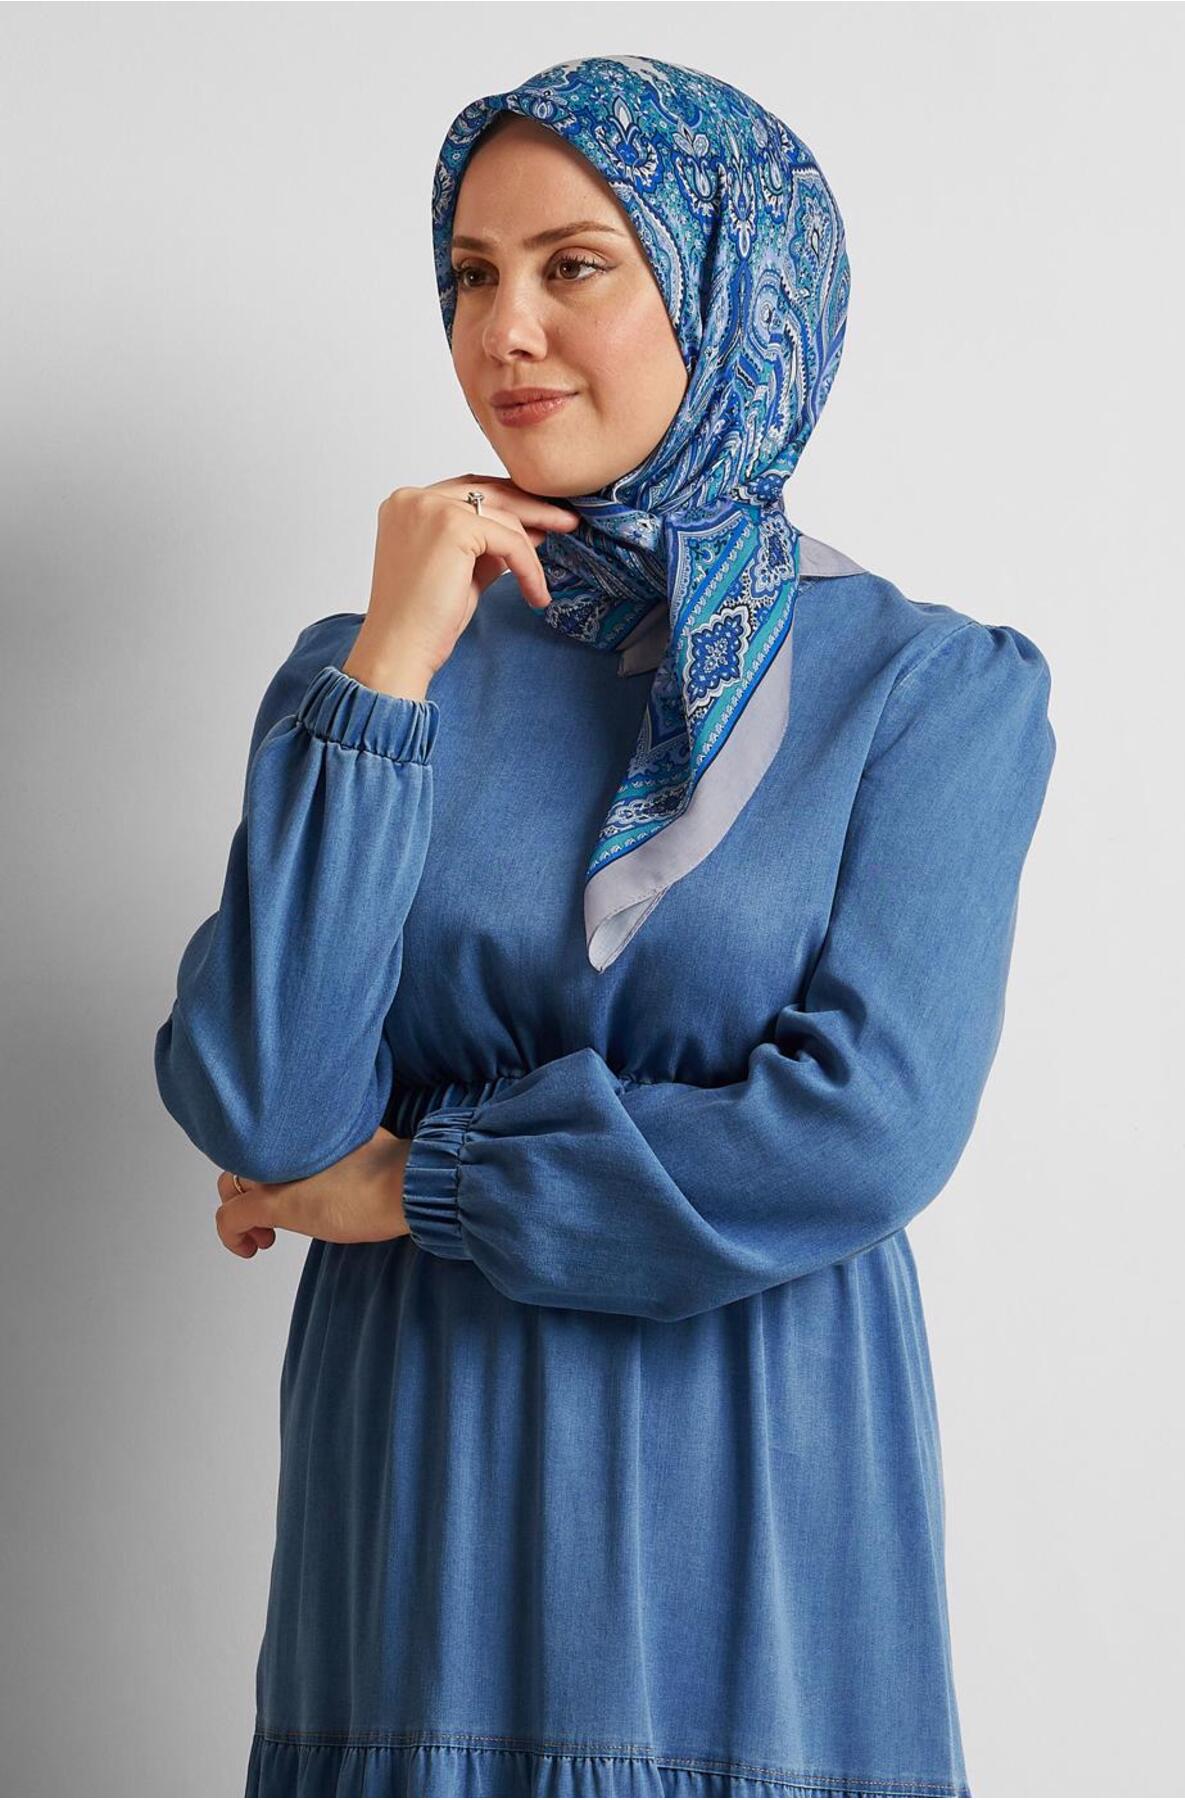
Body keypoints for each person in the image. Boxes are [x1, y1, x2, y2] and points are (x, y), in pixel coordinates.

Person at [154, 54, 1057, 1800]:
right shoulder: (367, 679)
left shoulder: (926, 691)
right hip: (412, 1511)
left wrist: (423, 1182)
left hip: (753, 1503)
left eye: (575, 265)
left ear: (731, 288)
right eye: (469, 275)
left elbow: (862, 1132)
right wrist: (389, 671)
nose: (506, 332)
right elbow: (266, 1108)